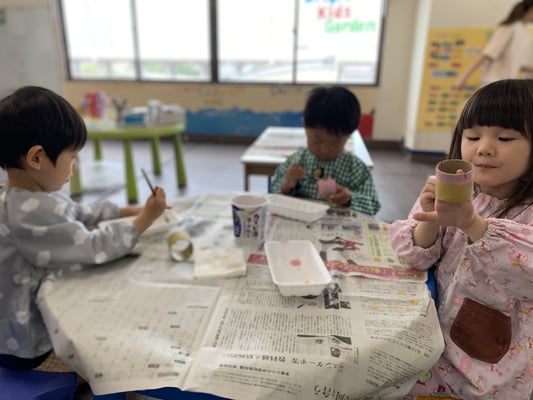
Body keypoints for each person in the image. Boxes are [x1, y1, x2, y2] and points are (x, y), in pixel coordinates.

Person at [0, 86, 167, 370]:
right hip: (26, 346)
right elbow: (92, 247)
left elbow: (75, 212)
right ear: (37, 158)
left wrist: (128, 211)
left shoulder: (23, 196)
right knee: (102, 358)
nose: (74, 166)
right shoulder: (31, 212)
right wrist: (145, 220)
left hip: (16, 329)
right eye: (72, 156)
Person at [389, 79, 533, 399]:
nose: (484, 148)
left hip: (494, 368)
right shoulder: (462, 194)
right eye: (473, 136)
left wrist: (472, 223)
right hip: (440, 342)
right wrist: (429, 219)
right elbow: (414, 257)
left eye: (505, 138)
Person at [270, 86, 381, 216]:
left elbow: (373, 205)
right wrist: (287, 185)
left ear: (349, 135)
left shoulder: (355, 168)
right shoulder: (297, 161)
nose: (324, 150)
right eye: (317, 141)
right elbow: (274, 193)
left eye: (335, 143)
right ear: (305, 125)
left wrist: (349, 199)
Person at [453, 0, 533, 90]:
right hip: (493, 83)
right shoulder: (509, 27)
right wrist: (463, 78)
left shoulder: (523, 32)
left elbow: (520, 64)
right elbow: (487, 54)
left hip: (507, 84)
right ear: (530, 9)